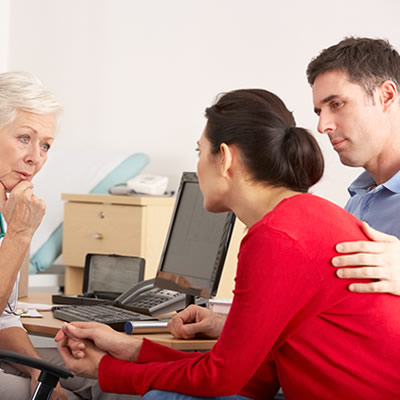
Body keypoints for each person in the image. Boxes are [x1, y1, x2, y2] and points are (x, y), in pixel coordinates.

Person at [56, 88, 400, 399]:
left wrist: (106, 371)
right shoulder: (302, 217)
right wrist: (131, 350)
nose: (197, 164)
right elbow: (254, 377)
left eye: (200, 152)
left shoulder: (278, 236)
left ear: (226, 157)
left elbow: (220, 377)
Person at [0, 71, 137, 400]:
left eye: (45, 145)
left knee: (119, 380)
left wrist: (37, 371)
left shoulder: (8, 208)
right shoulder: (16, 221)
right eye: (24, 138)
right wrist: (19, 235)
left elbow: (3, 320)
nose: (35, 157)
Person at [306, 36, 400, 296]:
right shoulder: (358, 200)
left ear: (386, 96)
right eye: (319, 111)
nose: (323, 126)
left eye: (337, 104)